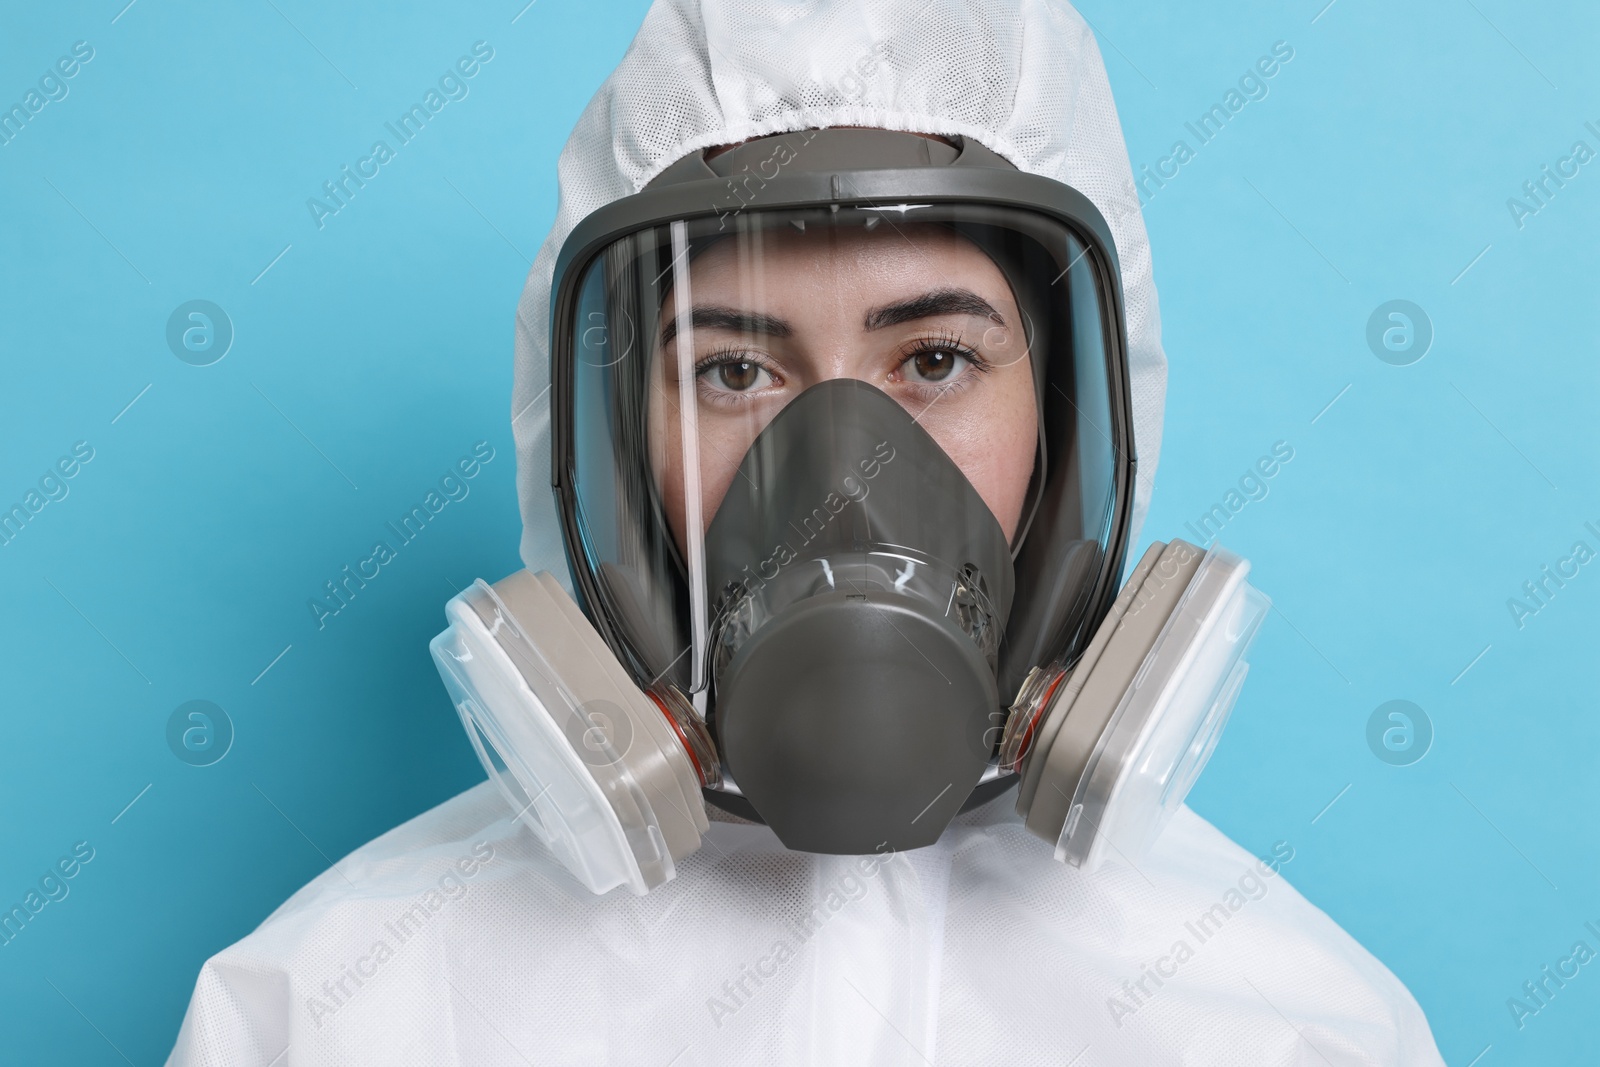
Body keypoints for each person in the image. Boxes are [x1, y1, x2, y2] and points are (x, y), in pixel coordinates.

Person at [166, 1, 1448, 1063]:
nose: (842, 476)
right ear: (609, 436)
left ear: (1067, 415)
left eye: (937, 356)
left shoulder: (1294, 1026)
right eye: (732, 373)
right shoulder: (334, 1008)